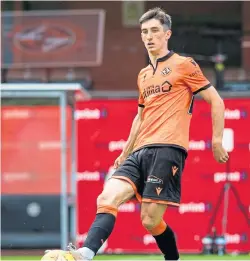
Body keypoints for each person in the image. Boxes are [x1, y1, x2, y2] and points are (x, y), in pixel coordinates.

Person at [68, 7, 229, 261]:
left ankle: (172, 258)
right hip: (139, 151)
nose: (149, 36)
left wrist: (217, 140)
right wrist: (125, 151)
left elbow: (216, 100)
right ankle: (85, 254)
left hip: (168, 150)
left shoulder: (184, 65)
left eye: (154, 31)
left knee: (150, 220)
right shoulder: (143, 75)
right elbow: (140, 117)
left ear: (167, 34)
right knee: (107, 197)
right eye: (144, 32)